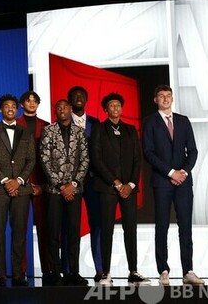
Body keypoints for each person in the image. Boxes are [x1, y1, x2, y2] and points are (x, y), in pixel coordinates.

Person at [142, 85, 204, 286]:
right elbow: (148, 152)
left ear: (172, 98)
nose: (165, 99)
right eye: (161, 96)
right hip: (162, 182)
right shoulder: (150, 122)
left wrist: (183, 172)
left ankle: (188, 271)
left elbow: (192, 151)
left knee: (185, 226)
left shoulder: (183, 121)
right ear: (155, 100)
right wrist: (170, 173)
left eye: (168, 96)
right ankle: (163, 270)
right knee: (162, 226)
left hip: (183, 182)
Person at [90, 93, 149, 286]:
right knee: (106, 229)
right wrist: (116, 182)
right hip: (107, 187)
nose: (115, 108)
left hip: (129, 189)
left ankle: (133, 271)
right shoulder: (99, 129)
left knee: (130, 229)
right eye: (111, 105)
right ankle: (105, 272)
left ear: (121, 108)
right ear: (105, 110)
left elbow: (137, 159)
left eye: (118, 105)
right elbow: (96, 159)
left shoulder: (130, 130)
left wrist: (130, 184)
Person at [0, 94, 35, 287]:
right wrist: (6, 181)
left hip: (21, 189)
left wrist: (18, 181)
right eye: (7, 106)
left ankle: (18, 274)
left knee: (19, 232)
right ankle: (1, 274)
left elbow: (31, 159)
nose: (11, 108)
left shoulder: (26, 132)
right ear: (0, 110)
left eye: (13, 106)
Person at [39, 100, 89, 286]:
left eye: (65, 107)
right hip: (54, 190)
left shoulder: (79, 131)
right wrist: (61, 185)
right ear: (55, 111)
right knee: (53, 231)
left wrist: (73, 184)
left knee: (73, 231)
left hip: (75, 190)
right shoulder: (48, 131)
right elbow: (44, 160)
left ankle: (73, 272)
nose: (62, 110)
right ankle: (55, 272)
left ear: (70, 110)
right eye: (58, 108)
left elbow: (85, 159)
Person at [67, 85, 103, 280]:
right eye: (75, 95)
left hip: (93, 181)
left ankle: (100, 269)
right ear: (70, 101)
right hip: (70, 182)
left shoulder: (96, 123)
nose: (79, 97)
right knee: (71, 226)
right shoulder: (63, 122)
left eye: (82, 95)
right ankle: (70, 271)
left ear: (86, 100)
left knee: (97, 224)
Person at [16, 90, 52, 284]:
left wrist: (43, 184)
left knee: (46, 230)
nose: (31, 103)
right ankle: (20, 271)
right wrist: (23, 180)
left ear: (38, 104)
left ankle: (48, 269)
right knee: (20, 229)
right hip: (21, 182)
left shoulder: (46, 126)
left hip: (42, 183)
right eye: (28, 100)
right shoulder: (15, 124)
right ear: (22, 104)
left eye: (34, 101)